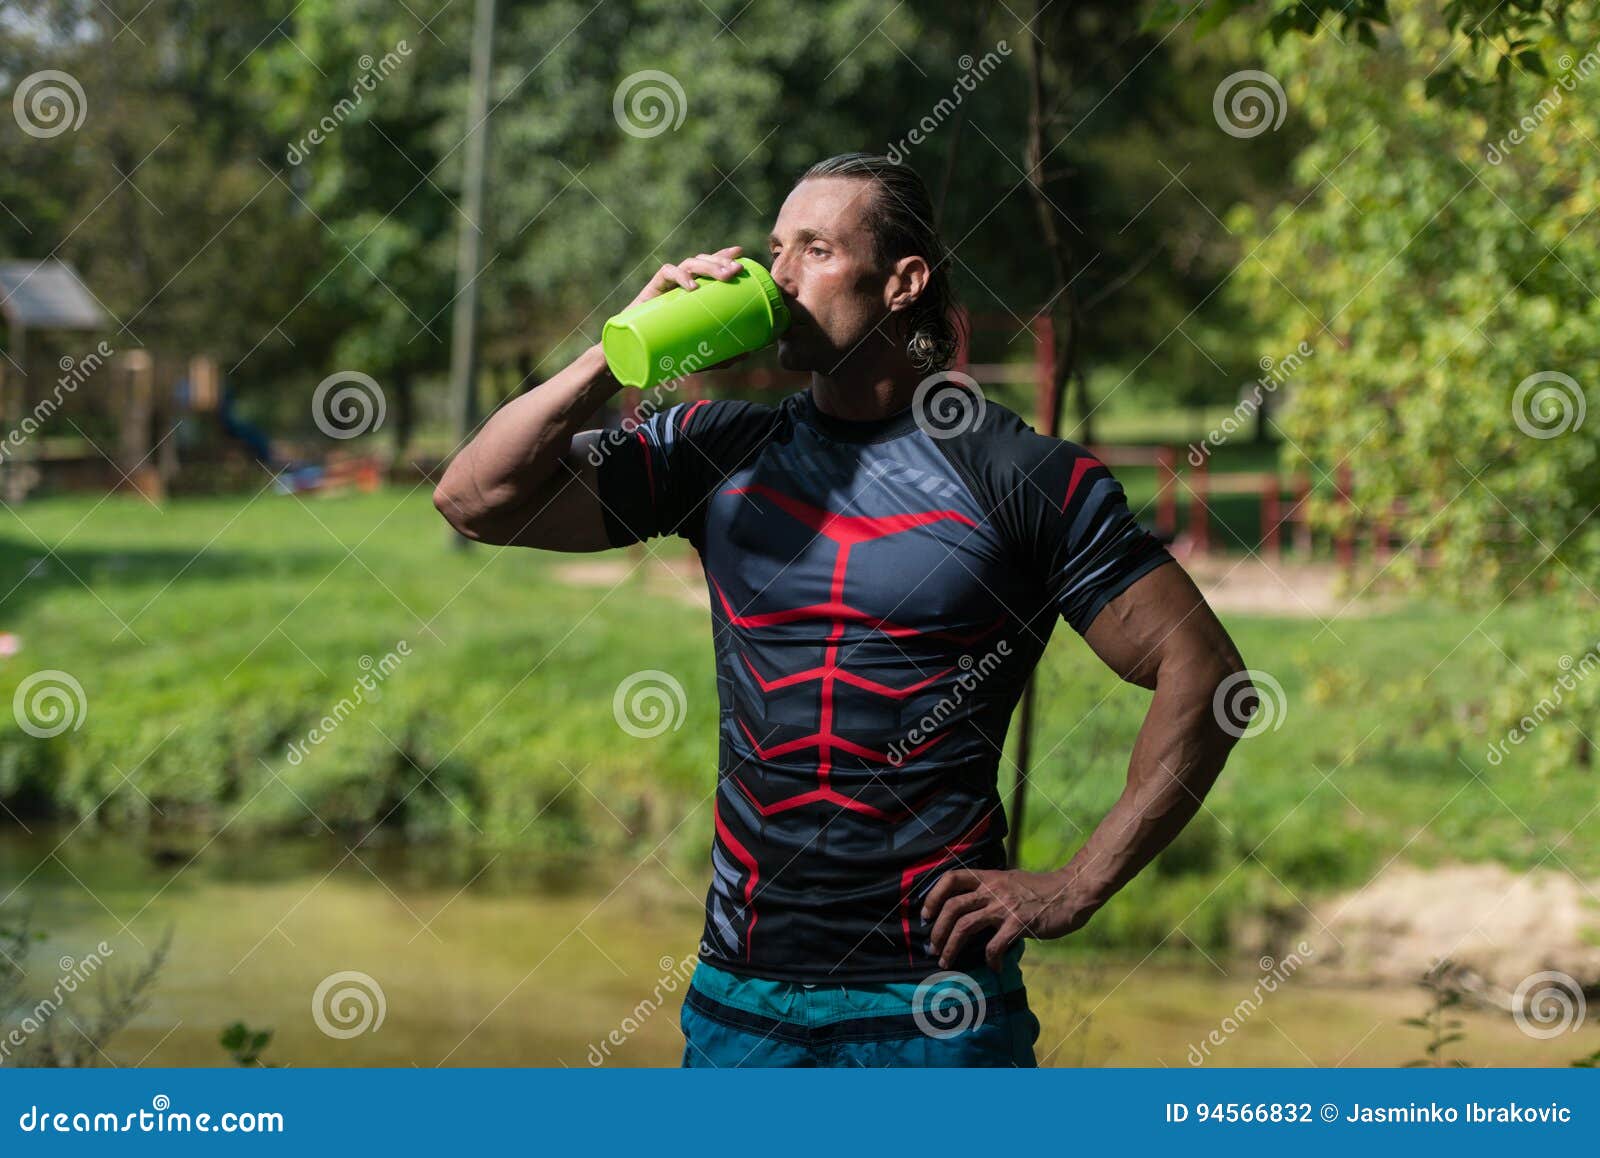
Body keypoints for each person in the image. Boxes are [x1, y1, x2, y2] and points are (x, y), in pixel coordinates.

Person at [433, 152, 1252, 1067]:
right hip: (741, 999)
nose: (777, 277)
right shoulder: (719, 448)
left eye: (814, 250)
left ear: (903, 283)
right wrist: (622, 346)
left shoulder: (1021, 475)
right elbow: (475, 499)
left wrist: (1072, 887)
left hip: (937, 1009)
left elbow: (1207, 674)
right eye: (775, 250)